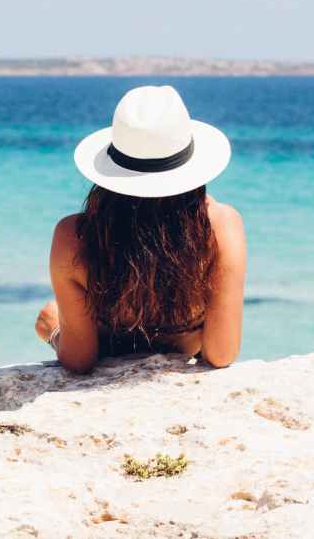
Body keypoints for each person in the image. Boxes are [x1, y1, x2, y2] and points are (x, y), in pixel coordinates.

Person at [34, 85, 246, 373]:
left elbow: (79, 360)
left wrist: (53, 331)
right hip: (181, 362)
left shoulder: (74, 236)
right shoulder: (220, 226)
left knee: (48, 314)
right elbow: (221, 354)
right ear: (192, 169)